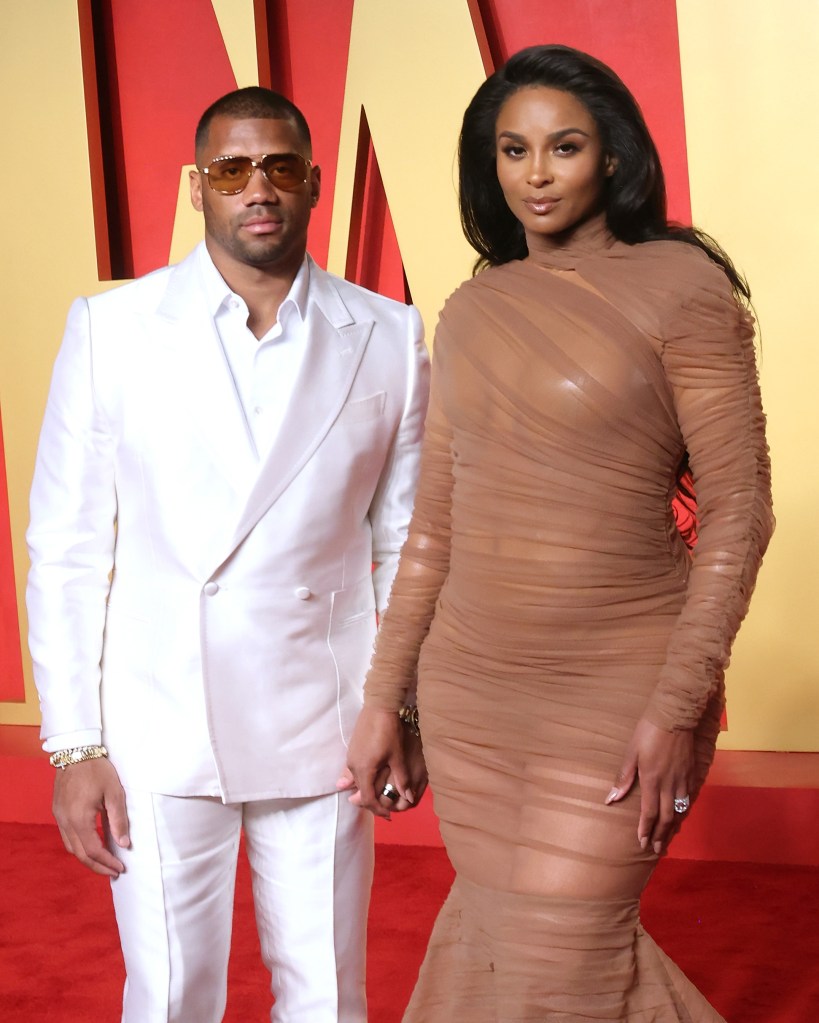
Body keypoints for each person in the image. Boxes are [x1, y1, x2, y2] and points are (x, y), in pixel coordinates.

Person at [344, 45, 773, 1021]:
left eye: (564, 146)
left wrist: (677, 705)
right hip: (473, 693)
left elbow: (741, 514)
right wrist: (388, 703)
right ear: (488, 166)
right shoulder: (472, 310)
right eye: (513, 150)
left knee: (564, 956)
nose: (536, 173)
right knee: (512, 951)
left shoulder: (683, 291)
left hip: (620, 683)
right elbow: (434, 531)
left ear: (612, 158)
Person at [26, 86, 429, 1023]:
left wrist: (400, 706)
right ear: (195, 187)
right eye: (232, 169)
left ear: (315, 184)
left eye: (282, 168)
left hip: (326, 721)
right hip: (158, 719)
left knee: (328, 997)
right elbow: (70, 548)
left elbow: (403, 543)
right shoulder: (112, 329)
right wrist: (74, 743)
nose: (259, 189)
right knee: (167, 995)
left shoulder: (390, 334)